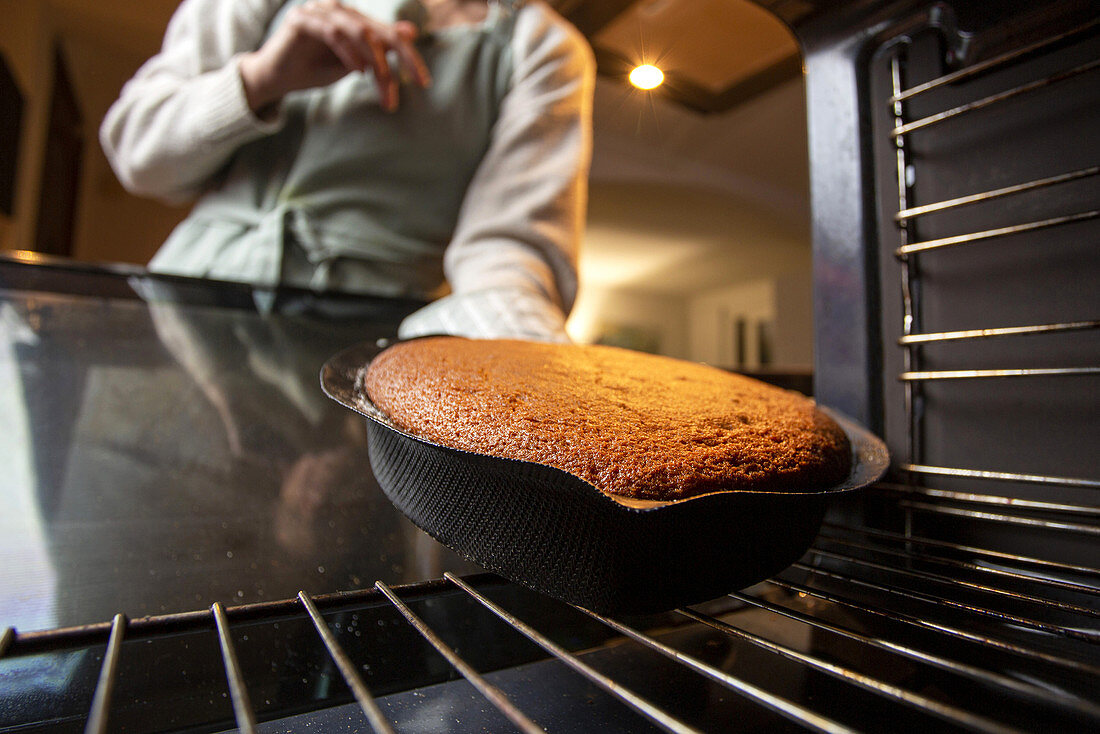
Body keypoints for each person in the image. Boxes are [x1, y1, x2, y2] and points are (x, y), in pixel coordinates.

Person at [100, 0, 594, 341]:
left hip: (365, 363)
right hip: (178, 319)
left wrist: (527, 357)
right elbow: (137, 156)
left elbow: (508, 253)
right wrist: (262, 79)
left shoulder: (544, 47)